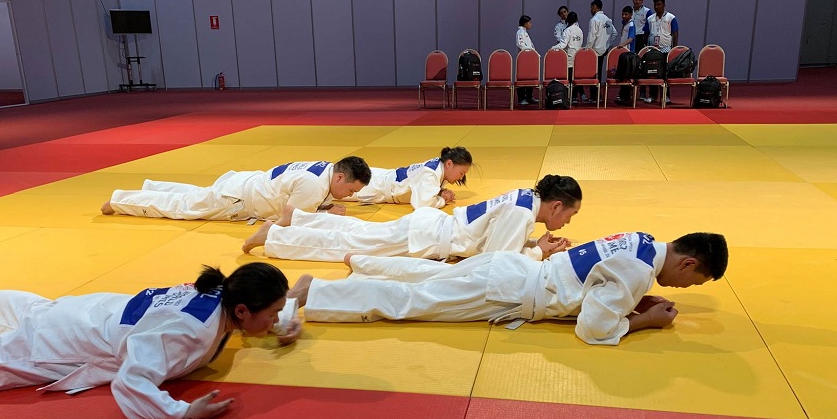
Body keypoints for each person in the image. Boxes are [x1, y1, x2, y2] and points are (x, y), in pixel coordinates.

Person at [0, 263, 302, 419]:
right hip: (61, 344)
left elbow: (259, 311)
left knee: (40, 310)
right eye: (272, 313)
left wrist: (287, 320)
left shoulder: (220, 289)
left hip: (89, 311)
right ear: (241, 311)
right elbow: (132, 379)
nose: (273, 320)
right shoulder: (188, 332)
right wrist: (181, 412)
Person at [288, 231, 728, 346]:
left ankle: (360, 266)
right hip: (506, 291)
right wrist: (644, 320)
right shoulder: (640, 271)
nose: (685, 285)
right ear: (689, 263)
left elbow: (598, 279)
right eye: (694, 280)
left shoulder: (643, 241)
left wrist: (633, 300)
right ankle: (316, 293)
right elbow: (593, 327)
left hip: (511, 267)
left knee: (428, 276)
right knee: (412, 301)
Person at [243, 175, 582, 262]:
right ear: (556, 206)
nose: (569, 221)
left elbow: (493, 238)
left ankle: (299, 219)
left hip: (430, 226)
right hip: (426, 237)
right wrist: (537, 252)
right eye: (571, 213)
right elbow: (496, 263)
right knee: (347, 245)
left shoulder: (525, 197)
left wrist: (533, 242)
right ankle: (274, 237)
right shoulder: (522, 213)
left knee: (359, 231)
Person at [100, 156, 371, 222]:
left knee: (193, 196)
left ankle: (152, 187)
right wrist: (326, 214)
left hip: (243, 184)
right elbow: (290, 219)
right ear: (339, 177)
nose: (351, 196)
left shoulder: (323, 167)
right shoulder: (314, 185)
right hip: (235, 199)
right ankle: (120, 201)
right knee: (182, 208)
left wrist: (324, 206)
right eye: (351, 190)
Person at [347, 147, 473, 209]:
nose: (461, 178)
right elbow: (422, 205)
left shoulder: (438, 165)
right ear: (449, 164)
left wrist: (439, 192)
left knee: (339, 176)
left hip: (382, 177)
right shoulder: (430, 174)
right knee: (337, 188)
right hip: (374, 186)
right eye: (461, 173)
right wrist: (442, 199)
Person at [644, 0, 678, 105]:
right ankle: (652, 96)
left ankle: (666, 96)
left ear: (664, 5)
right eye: (655, 5)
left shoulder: (671, 18)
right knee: (652, 73)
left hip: (666, 49)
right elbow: (646, 32)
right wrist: (646, 46)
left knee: (665, 74)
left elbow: (675, 33)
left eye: (659, 4)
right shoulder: (650, 19)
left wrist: (674, 49)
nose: (657, 7)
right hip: (653, 50)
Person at [584, 0, 616, 104]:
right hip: (604, 50)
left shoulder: (594, 19)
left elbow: (591, 37)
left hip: (594, 51)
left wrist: (587, 49)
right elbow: (614, 33)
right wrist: (608, 45)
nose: (590, 10)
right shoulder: (608, 19)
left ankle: (594, 96)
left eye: (591, 7)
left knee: (592, 74)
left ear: (595, 6)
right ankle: (598, 96)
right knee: (599, 73)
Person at [550, 11, 584, 104]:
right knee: (576, 77)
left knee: (569, 78)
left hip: (569, 57)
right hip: (578, 56)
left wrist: (553, 48)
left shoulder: (567, 30)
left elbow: (563, 44)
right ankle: (575, 97)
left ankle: (570, 97)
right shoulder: (580, 30)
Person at [632, 0, 652, 102]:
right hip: (631, 39)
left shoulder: (647, 12)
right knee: (631, 65)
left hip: (641, 39)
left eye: (639, 0)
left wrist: (644, 38)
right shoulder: (630, 11)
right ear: (633, 0)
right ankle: (630, 91)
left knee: (642, 66)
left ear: (642, 0)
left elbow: (648, 27)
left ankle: (643, 91)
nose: (637, 2)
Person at [615, 5, 637, 105]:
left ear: (631, 15)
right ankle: (622, 95)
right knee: (623, 75)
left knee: (627, 76)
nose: (624, 16)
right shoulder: (624, 24)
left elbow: (631, 38)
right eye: (623, 14)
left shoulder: (631, 25)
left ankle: (627, 97)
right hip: (624, 53)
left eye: (626, 14)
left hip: (629, 54)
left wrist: (622, 45)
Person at [515, 15, 538, 106]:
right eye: (529, 22)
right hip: (523, 58)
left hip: (529, 58)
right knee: (522, 78)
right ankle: (521, 98)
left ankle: (529, 97)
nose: (530, 24)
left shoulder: (525, 32)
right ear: (525, 23)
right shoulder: (520, 32)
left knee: (530, 77)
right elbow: (520, 44)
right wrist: (530, 52)